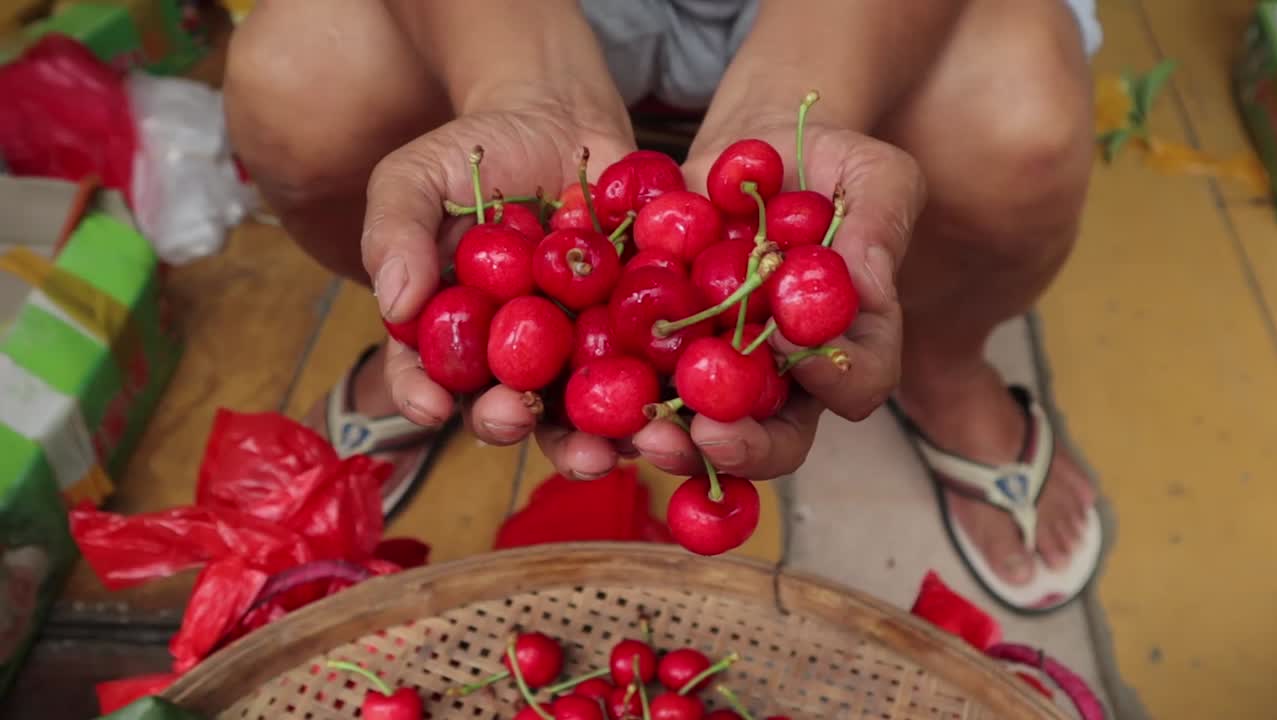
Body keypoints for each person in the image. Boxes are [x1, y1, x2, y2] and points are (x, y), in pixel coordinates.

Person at [224, 0, 1104, 613]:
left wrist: (798, 92)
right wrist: (526, 88)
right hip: (520, 21)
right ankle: (439, 327)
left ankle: (946, 365)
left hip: (853, 24)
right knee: (293, 82)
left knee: (1020, 126)